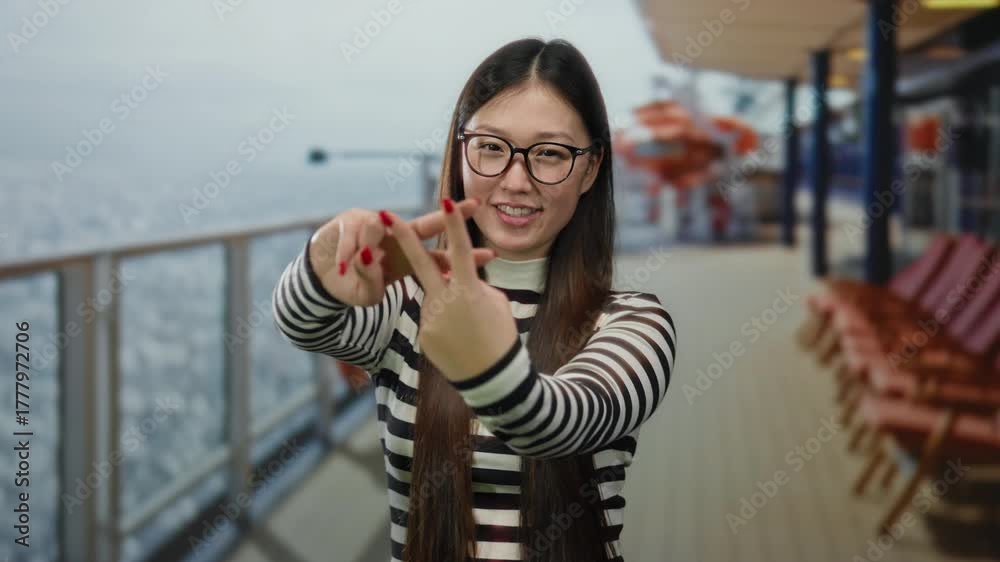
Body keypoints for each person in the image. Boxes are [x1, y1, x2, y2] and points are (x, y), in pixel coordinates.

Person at [272, 38, 676, 562]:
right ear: (461, 149)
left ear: (592, 167)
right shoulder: (405, 303)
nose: (515, 180)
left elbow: (556, 421)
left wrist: (480, 358)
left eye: (550, 154)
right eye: (490, 146)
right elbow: (304, 325)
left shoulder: (634, 323)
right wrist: (324, 265)